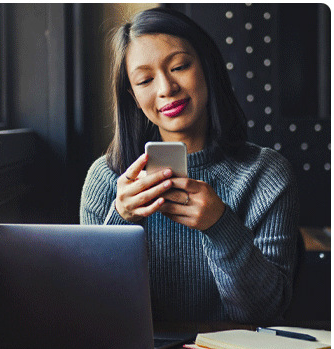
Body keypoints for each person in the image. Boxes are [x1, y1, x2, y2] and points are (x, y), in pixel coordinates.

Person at [80, 7, 300, 323]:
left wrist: (220, 225)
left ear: (208, 67)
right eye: (145, 80)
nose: (166, 88)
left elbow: (263, 313)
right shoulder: (106, 179)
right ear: (133, 96)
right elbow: (96, 312)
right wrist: (122, 219)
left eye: (180, 66)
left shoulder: (266, 174)